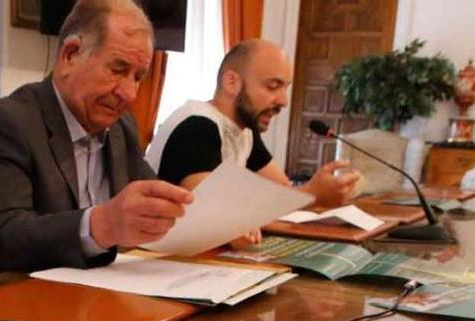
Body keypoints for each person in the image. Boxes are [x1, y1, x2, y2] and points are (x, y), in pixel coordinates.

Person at [0, 0, 193, 286]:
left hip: (79, 299)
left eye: (138, 77)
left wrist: (210, 222)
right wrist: (102, 224)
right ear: (70, 54)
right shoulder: (5, 123)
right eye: (118, 70)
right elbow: (2, 239)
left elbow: (151, 206)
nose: (129, 93)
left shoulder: (122, 128)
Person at [147, 39, 359, 246]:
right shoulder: (197, 127)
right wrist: (313, 193)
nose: (283, 101)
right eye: (272, 86)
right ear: (232, 83)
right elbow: (212, 215)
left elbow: (281, 192)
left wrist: (317, 191)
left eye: (285, 88)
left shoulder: (245, 130)